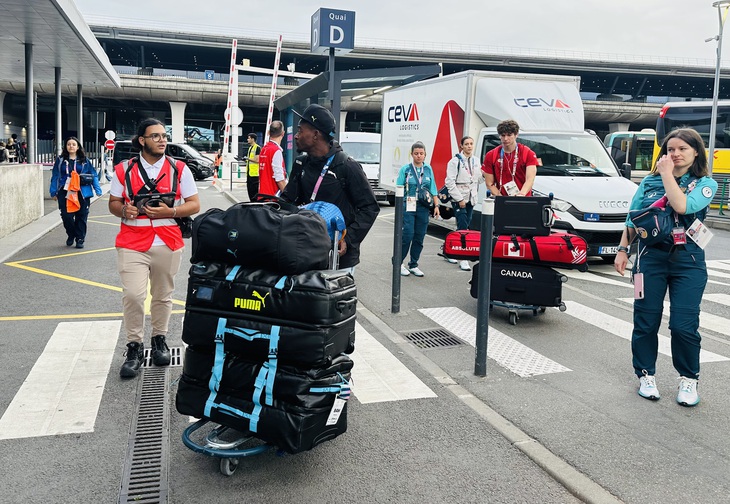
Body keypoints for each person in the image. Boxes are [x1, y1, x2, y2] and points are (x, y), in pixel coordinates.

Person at [614, 128, 717, 407]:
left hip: (689, 262)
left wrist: (667, 175)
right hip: (649, 260)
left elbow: (682, 206)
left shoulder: (705, 183)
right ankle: (645, 375)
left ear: (696, 152)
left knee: (684, 325)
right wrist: (623, 250)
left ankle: (688, 379)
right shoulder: (648, 183)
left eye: (682, 148)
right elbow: (633, 219)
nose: (675, 154)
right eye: (670, 149)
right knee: (645, 319)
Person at [108, 118, 201, 379]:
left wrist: (170, 211)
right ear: (142, 140)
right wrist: (124, 209)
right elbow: (113, 203)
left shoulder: (180, 168)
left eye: (164, 135)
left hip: (168, 240)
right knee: (134, 296)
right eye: (156, 136)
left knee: (163, 295)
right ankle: (134, 347)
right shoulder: (123, 170)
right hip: (132, 241)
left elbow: (194, 204)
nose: (162, 140)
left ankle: (159, 339)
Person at [281, 104, 379, 273]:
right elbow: (288, 200)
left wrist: (347, 239)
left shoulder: (347, 166)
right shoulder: (300, 163)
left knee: (335, 300)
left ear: (315, 135)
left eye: (300, 130)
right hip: (305, 253)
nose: (296, 136)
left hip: (338, 259)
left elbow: (369, 208)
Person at [49, 137, 103, 248]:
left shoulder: (84, 161)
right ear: (66, 147)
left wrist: (97, 189)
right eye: (69, 144)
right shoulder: (60, 160)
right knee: (66, 216)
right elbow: (55, 175)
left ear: (78, 147)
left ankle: (80, 238)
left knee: (82, 215)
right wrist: (53, 191)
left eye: (74, 144)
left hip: (82, 191)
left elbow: (93, 174)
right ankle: (71, 234)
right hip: (65, 191)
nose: (71, 146)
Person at [397, 141, 440, 277]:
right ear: (412, 154)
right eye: (416, 153)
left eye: (421, 153)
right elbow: (399, 187)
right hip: (409, 204)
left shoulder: (428, 169)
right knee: (407, 235)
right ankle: (398, 263)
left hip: (423, 206)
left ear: (425, 154)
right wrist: (400, 205)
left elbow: (433, 187)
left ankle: (414, 264)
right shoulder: (406, 169)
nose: (419, 156)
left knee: (419, 236)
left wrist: (436, 205)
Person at [443, 135, 483, 271]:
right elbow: (449, 182)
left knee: (464, 224)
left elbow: (478, 179)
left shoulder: (476, 161)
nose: (469, 146)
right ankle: (463, 258)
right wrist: (459, 199)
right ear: (461, 146)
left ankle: (447, 249)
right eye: (466, 144)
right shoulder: (454, 162)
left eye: (471, 144)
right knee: (463, 227)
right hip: (459, 198)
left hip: (471, 197)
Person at [482, 119, 538, 197]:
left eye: (509, 135)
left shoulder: (528, 153)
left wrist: (521, 194)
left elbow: (530, 179)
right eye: (503, 135)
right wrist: (501, 198)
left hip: (523, 199)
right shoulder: (491, 155)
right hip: (501, 199)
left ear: (516, 135)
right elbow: (489, 183)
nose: (505, 139)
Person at [258, 121, 287, 195]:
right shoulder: (276, 151)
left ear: (268, 133)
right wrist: (289, 197)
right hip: (273, 197)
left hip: (263, 194)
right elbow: (279, 179)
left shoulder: (264, 149)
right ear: (283, 133)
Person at [245, 133, 261, 201]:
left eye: (249, 138)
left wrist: (247, 158)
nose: (247, 139)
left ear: (253, 139)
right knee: (250, 192)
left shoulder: (257, 147)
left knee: (254, 192)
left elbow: (257, 160)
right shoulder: (250, 148)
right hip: (249, 173)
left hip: (254, 174)